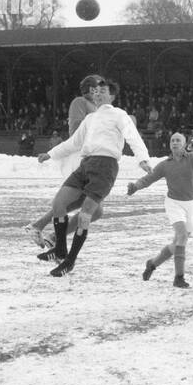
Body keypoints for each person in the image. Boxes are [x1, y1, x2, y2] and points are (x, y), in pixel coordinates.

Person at [38, 77, 151, 276]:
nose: (98, 94)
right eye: (96, 92)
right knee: (58, 204)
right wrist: (51, 153)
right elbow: (73, 143)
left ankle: (69, 261)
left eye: (103, 91)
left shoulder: (119, 114)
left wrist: (142, 159)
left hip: (105, 166)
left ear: (112, 96)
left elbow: (133, 137)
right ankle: (61, 249)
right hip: (86, 164)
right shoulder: (90, 119)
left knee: (85, 215)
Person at [126, 131, 193, 288]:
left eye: (178, 140)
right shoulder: (164, 165)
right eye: (172, 140)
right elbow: (148, 179)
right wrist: (135, 187)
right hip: (173, 204)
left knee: (177, 244)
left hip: (192, 204)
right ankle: (179, 278)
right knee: (182, 236)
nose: (175, 142)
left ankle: (152, 264)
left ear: (184, 144)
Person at [23, 76, 101, 249]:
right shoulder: (79, 102)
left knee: (89, 207)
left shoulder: (97, 108)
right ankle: (51, 236)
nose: (103, 89)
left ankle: (42, 229)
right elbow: (75, 131)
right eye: (99, 86)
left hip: (91, 159)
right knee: (91, 207)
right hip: (80, 159)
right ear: (90, 89)